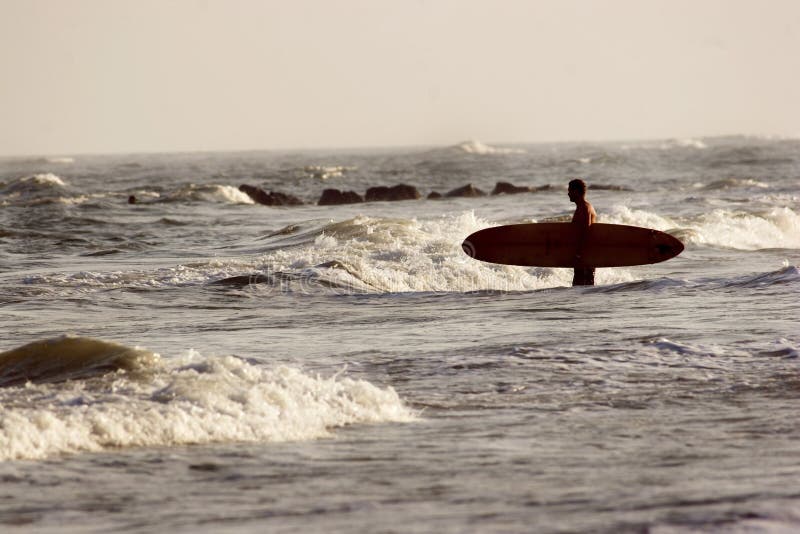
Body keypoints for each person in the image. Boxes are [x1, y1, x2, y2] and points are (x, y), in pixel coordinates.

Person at [568, 179, 597, 286]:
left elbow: (586, 231)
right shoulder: (582, 207)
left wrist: (579, 254)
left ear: (575, 191)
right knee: (582, 288)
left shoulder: (584, 208)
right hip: (585, 255)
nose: (568, 194)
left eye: (569, 190)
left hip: (585, 256)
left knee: (581, 287)